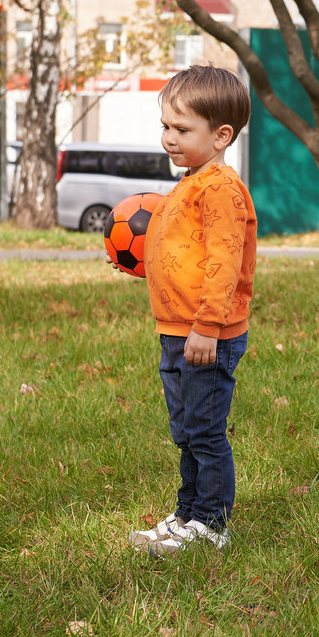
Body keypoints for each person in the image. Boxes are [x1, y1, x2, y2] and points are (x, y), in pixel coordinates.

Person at [127, 65, 256, 557]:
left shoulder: (219, 187)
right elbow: (185, 250)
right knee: (185, 428)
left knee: (204, 429)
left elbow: (224, 262)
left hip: (207, 335)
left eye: (181, 129)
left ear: (221, 135)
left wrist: (207, 327)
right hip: (176, 330)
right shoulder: (188, 182)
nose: (168, 138)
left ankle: (212, 523)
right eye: (165, 127)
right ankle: (187, 512)